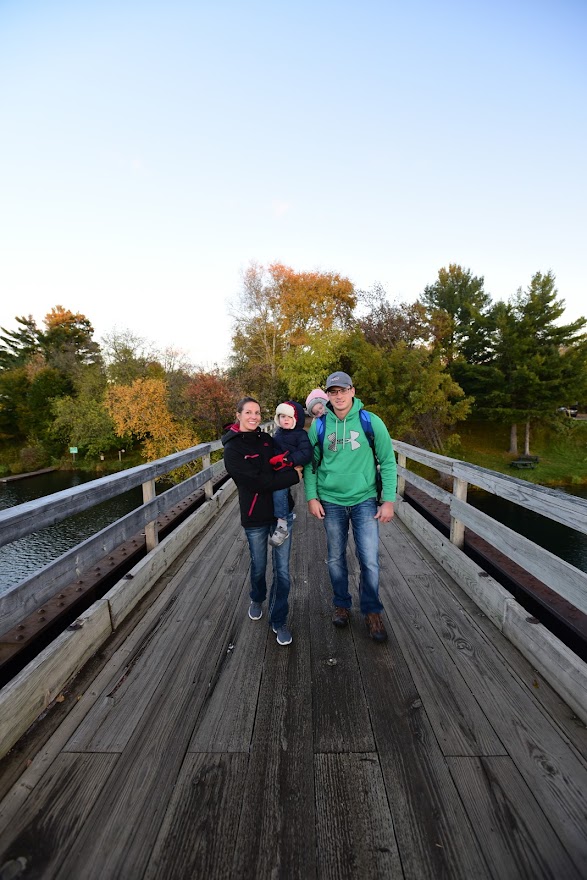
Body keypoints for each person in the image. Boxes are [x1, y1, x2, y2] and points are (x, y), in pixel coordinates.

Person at [303, 371, 397, 642]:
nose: (339, 396)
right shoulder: (320, 426)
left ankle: (371, 610)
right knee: (335, 558)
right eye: (333, 392)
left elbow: (388, 462)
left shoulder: (371, 422)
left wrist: (388, 500)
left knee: (369, 559)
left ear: (352, 391)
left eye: (343, 390)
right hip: (330, 500)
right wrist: (311, 497)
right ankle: (342, 604)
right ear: (328, 395)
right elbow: (311, 464)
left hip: (364, 499)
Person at [222, 397, 301, 646]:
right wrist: (293, 477)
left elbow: (286, 460)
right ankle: (257, 597)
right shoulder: (232, 450)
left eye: (257, 412)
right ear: (238, 415)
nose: (254, 416)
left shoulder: (267, 440)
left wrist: (290, 469)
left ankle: (278, 621)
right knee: (258, 566)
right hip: (255, 517)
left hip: (281, 515)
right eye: (248, 412)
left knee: (283, 572)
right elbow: (255, 482)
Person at [269, 401, 313, 547]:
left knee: (279, 491)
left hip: (289, 468)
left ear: (296, 418)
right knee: (280, 493)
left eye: (289, 416)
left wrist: (289, 460)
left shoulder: (300, 434)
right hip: (278, 468)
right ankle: (287, 511)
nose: (285, 419)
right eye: (282, 416)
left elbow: (306, 453)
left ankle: (282, 524)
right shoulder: (278, 432)